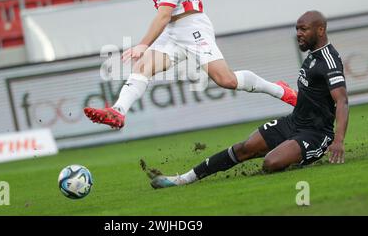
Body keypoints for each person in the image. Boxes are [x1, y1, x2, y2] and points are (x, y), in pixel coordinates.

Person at [83, 0, 298, 130]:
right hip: (173, 30)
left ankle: (279, 90)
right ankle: (118, 110)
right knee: (142, 67)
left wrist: (143, 44)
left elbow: (164, 15)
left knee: (227, 80)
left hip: (191, 26)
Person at [149, 10, 349, 189]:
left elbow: (342, 101)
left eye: (303, 29)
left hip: (316, 133)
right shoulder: (312, 55)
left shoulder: (329, 61)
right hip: (294, 122)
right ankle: (183, 179)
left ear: (320, 30)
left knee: (271, 163)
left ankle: (298, 154)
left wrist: (338, 140)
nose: (298, 33)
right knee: (243, 148)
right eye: (297, 29)